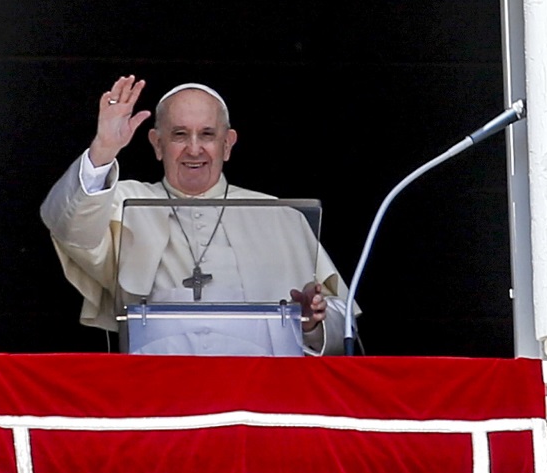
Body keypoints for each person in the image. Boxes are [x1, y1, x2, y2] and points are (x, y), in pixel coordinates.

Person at [41, 75, 352, 355]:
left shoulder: (282, 217)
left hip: (258, 394)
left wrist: (312, 324)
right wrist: (104, 149)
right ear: (157, 144)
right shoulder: (122, 202)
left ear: (227, 144)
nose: (193, 149)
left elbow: (344, 329)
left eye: (206, 135)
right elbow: (68, 226)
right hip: (156, 395)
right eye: (179, 134)